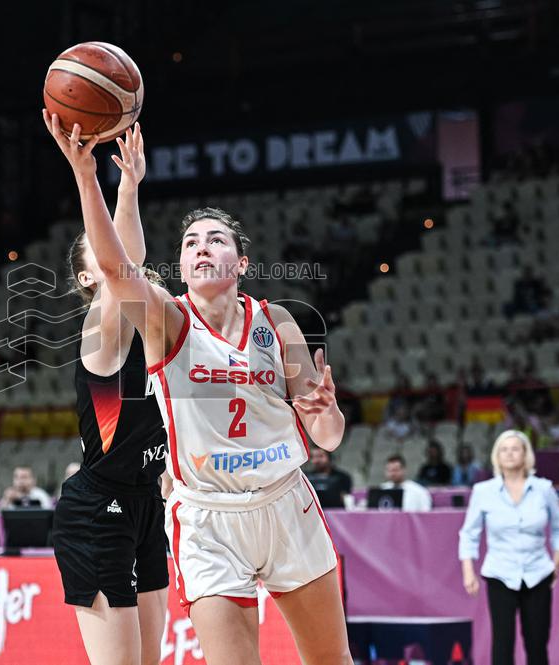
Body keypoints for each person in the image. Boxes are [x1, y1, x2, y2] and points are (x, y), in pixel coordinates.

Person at [45, 111, 349, 663]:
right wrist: (90, 176)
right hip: (202, 515)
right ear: (179, 264)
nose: (202, 246)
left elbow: (328, 437)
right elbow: (120, 265)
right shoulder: (160, 323)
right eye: (190, 241)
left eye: (216, 239)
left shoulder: (277, 320)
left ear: (243, 261)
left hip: (281, 499)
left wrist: (323, 412)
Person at [45, 117, 170, 665]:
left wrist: (132, 187)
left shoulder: (160, 330)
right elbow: (125, 262)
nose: (115, 262)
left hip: (146, 506)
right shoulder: (102, 333)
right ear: (88, 280)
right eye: (103, 258)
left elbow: (128, 263)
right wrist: (90, 178)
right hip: (99, 510)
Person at [459, 430, 559, 665]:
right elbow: (469, 534)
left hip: (538, 572)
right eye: (504, 449)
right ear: (496, 456)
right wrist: (468, 571)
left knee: (537, 643)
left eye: (515, 448)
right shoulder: (483, 491)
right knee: (502, 642)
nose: (509, 454)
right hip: (500, 573)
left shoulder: (543, 488)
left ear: (526, 454)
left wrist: (557, 563)